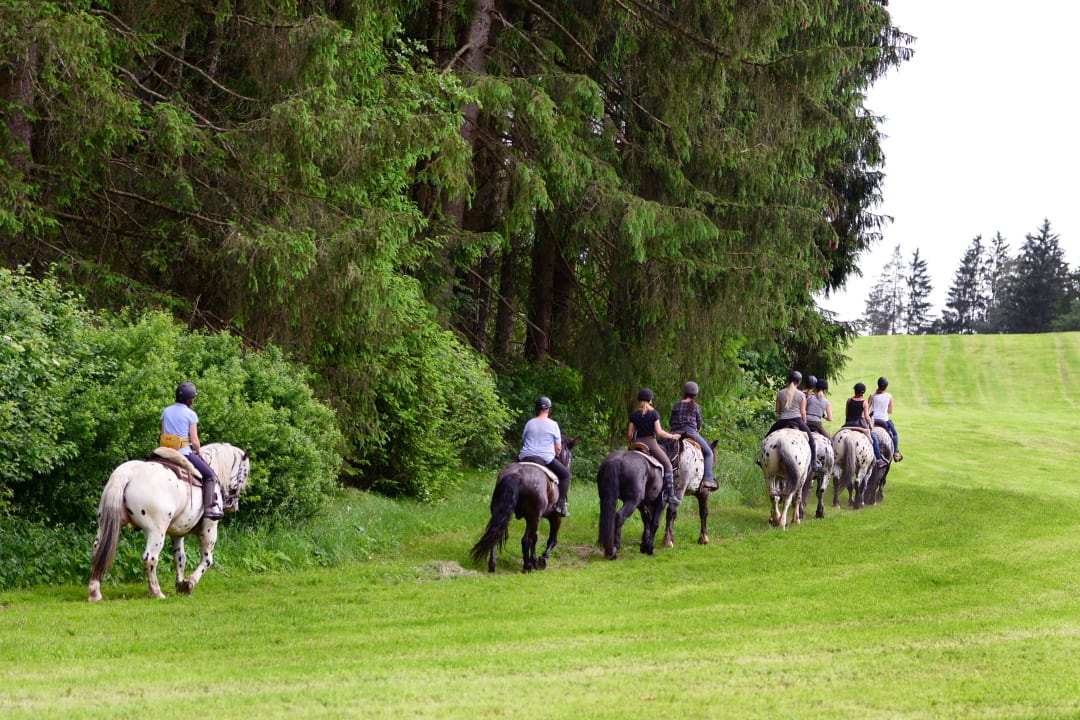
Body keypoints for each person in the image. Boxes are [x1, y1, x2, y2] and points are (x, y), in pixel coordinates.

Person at [160, 381, 223, 520]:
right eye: (193, 398)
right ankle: (209, 508)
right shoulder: (191, 414)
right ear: (190, 399)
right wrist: (199, 452)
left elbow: (163, 432)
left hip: (163, 451)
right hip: (182, 453)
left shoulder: (166, 411)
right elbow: (194, 441)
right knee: (210, 475)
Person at [518, 396, 572, 516]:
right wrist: (556, 454)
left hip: (525, 457)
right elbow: (558, 447)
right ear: (549, 409)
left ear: (536, 409)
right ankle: (560, 506)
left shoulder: (529, 423)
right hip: (545, 459)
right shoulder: (553, 425)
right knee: (566, 476)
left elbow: (524, 440)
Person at [627, 388, 682, 506]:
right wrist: (672, 436)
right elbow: (659, 432)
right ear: (650, 400)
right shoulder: (654, 413)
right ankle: (670, 495)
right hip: (650, 443)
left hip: (636, 443)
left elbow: (630, 434)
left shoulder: (634, 414)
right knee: (668, 464)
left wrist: (631, 444)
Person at [765, 370, 820, 470]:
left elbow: (777, 410)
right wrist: (804, 422)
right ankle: (813, 463)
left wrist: (784, 414)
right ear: (799, 382)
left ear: (788, 380)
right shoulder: (801, 395)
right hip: (797, 420)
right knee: (811, 441)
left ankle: (761, 459)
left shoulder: (780, 393)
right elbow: (803, 412)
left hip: (782, 421)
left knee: (766, 438)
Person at [669, 381, 718, 491]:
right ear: (695, 394)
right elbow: (699, 425)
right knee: (709, 452)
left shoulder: (677, 405)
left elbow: (671, 421)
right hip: (691, 433)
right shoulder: (696, 407)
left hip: (674, 433)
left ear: (684, 392)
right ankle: (708, 479)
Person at [842, 382, 887, 467]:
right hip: (859, 424)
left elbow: (847, 414)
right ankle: (878, 459)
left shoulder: (849, 400)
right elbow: (866, 416)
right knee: (874, 439)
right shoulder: (864, 403)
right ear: (863, 393)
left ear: (855, 391)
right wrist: (870, 425)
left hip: (848, 423)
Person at [871, 376, 903, 462]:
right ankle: (896, 453)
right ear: (886, 386)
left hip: (873, 420)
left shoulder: (872, 395)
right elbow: (890, 411)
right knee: (895, 434)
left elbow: (867, 409)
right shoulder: (889, 396)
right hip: (884, 420)